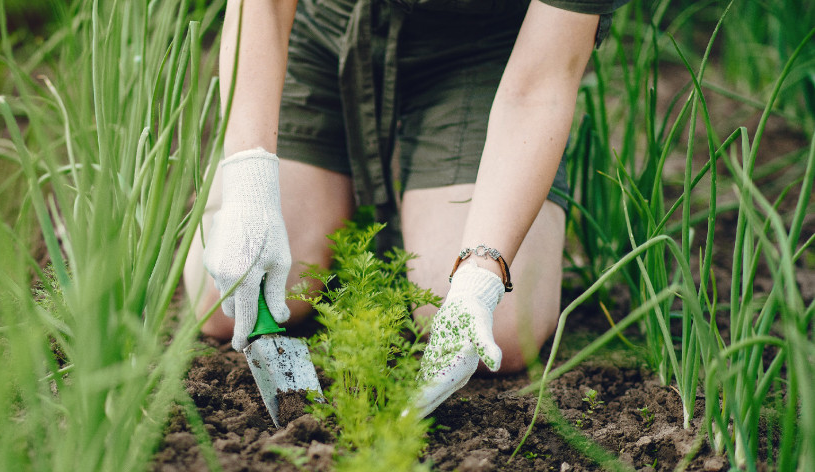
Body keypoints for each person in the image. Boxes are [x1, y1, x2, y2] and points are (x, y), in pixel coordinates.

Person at [183, 0, 630, 418]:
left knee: (507, 328)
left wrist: (480, 278)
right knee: (221, 295)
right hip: (323, 28)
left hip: (485, 47)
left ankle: (410, 188)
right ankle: (361, 199)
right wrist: (249, 187)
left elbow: (539, 86)